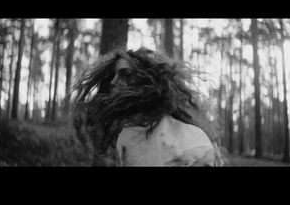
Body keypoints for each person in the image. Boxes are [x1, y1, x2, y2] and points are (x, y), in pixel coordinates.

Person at [72, 47, 228, 166]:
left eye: (125, 75)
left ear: (148, 82)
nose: (113, 83)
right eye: (112, 77)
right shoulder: (124, 137)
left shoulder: (193, 139)